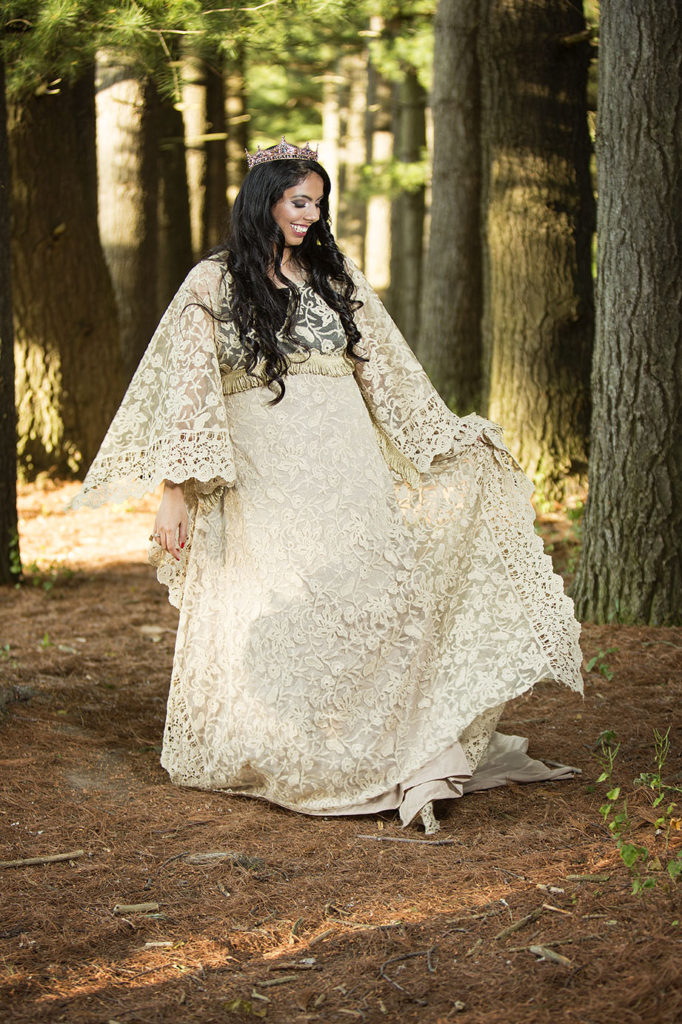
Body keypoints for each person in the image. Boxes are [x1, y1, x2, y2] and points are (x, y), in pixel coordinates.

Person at [71, 138, 583, 834]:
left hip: (347, 462)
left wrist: (445, 439)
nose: (310, 214)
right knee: (291, 597)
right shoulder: (210, 284)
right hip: (266, 468)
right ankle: (302, 747)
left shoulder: (335, 280)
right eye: (298, 201)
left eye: (318, 202)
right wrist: (175, 489)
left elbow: (389, 372)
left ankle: (387, 740)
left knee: (369, 588)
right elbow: (187, 396)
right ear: (265, 201)